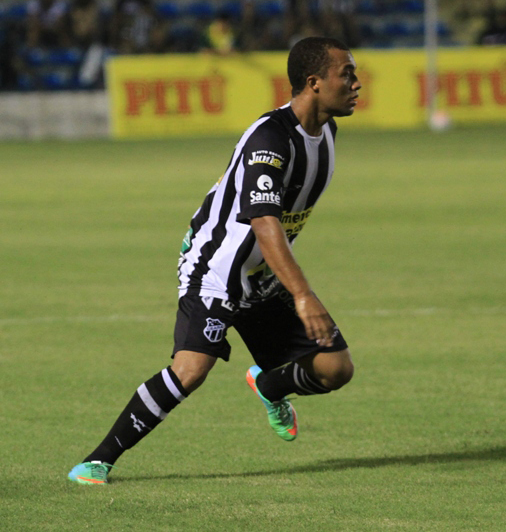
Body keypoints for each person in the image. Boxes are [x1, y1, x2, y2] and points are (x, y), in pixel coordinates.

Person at [68, 36, 361, 485]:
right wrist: (303, 295)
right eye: (348, 73)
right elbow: (264, 221)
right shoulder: (270, 138)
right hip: (216, 267)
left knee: (335, 368)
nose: (357, 82)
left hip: (261, 275)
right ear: (314, 82)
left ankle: (269, 385)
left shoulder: (327, 134)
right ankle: (97, 461)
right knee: (191, 369)